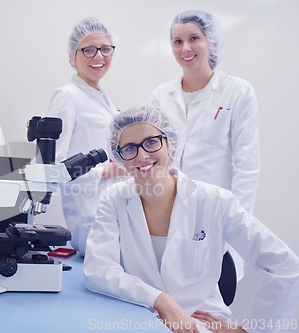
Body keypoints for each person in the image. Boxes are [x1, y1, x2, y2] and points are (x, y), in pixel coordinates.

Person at [83, 105, 299, 333]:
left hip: (202, 325)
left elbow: (285, 266)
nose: (142, 155)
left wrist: (248, 331)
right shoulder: (114, 199)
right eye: (129, 149)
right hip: (139, 320)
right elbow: (98, 269)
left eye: (151, 142)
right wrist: (160, 300)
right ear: (119, 158)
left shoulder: (215, 200)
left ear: (170, 143)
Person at [149, 9, 260, 282]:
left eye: (194, 38)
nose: (185, 48)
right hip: (167, 217)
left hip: (217, 219)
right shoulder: (161, 96)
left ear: (210, 40)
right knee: (169, 312)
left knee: (213, 314)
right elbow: (151, 161)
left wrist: (235, 226)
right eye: (177, 41)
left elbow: (247, 165)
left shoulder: (237, 91)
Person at [46, 16, 126, 255]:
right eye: (89, 50)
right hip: (89, 218)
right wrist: (105, 171)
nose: (99, 56)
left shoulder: (100, 97)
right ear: (73, 56)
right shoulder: (67, 96)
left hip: (111, 210)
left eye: (104, 49)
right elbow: (51, 171)